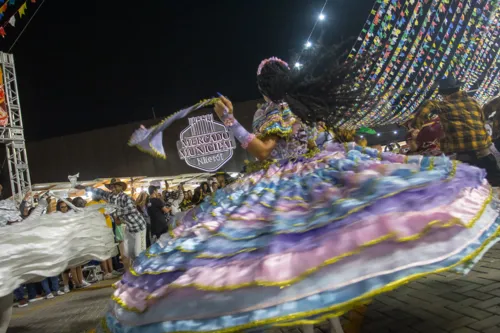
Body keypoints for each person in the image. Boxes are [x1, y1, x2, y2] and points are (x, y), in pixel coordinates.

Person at [98, 56, 500, 333]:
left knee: (292, 254)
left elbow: (263, 151)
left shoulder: (274, 110)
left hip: (287, 183)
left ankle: (317, 318)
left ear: (263, 86)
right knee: (326, 244)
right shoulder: (306, 106)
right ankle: (333, 314)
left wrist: (230, 122)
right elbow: (322, 140)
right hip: (322, 173)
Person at [409, 77, 500, 185]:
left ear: (443, 94)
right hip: (486, 154)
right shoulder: (473, 102)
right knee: (495, 186)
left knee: (471, 192)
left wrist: (414, 126)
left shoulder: (441, 105)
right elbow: (483, 119)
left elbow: (422, 113)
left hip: (466, 159)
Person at [80, 178, 146, 270]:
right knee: (130, 253)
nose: (113, 188)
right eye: (111, 186)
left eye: (115, 186)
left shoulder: (125, 197)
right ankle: (135, 274)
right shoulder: (110, 197)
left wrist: (116, 214)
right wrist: (83, 187)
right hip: (129, 227)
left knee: (139, 252)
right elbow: (99, 191)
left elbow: (131, 209)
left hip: (139, 227)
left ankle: (144, 274)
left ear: (120, 187)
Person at [87, 194, 121, 279]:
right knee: (103, 253)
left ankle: (111, 270)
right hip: (99, 231)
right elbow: (90, 217)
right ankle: (106, 272)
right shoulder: (89, 204)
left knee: (109, 252)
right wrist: (102, 216)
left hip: (108, 229)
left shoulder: (103, 202)